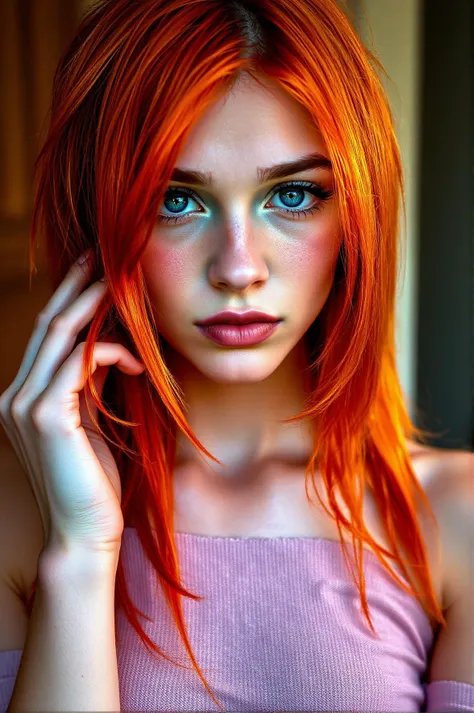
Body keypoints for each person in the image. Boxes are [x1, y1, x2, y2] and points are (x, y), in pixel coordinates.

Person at [0, 0, 473, 710]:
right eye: (175, 199)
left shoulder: (456, 517)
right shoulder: (20, 515)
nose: (238, 267)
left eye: (292, 194)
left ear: (357, 213)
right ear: (100, 213)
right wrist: (78, 555)